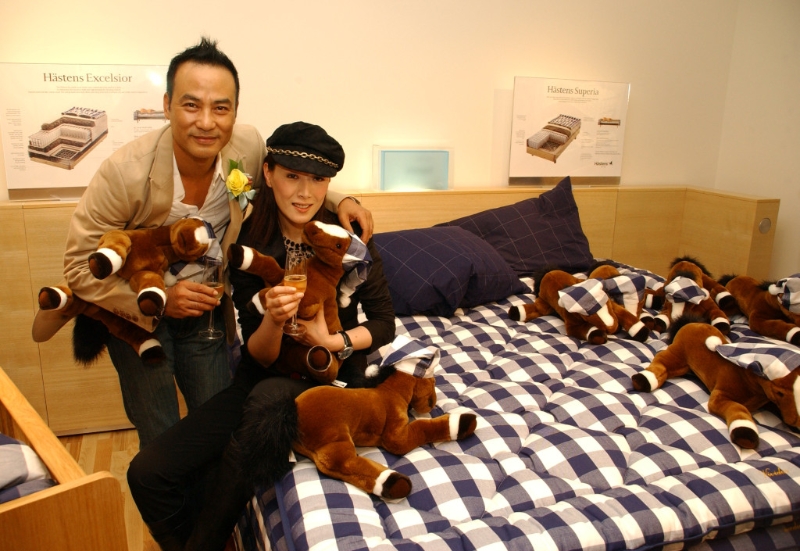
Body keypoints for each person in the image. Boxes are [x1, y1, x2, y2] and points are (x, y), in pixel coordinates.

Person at [30, 39, 373, 450]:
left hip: (207, 312)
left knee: (216, 428)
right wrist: (163, 298)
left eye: (221, 108)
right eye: (191, 105)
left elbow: (292, 178)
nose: (207, 122)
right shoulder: (124, 173)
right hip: (138, 312)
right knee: (160, 434)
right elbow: (77, 268)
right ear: (167, 105)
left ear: (235, 112)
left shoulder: (246, 147)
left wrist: (342, 199)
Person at [127, 121, 395, 551]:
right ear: (268, 174)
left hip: (335, 379)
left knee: (267, 399)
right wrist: (272, 318)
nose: (305, 193)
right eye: (292, 176)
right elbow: (260, 356)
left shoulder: (348, 241)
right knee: (146, 473)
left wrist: (332, 342)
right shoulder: (249, 243)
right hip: (264, 374)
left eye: (319, 180)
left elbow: (384, 323)